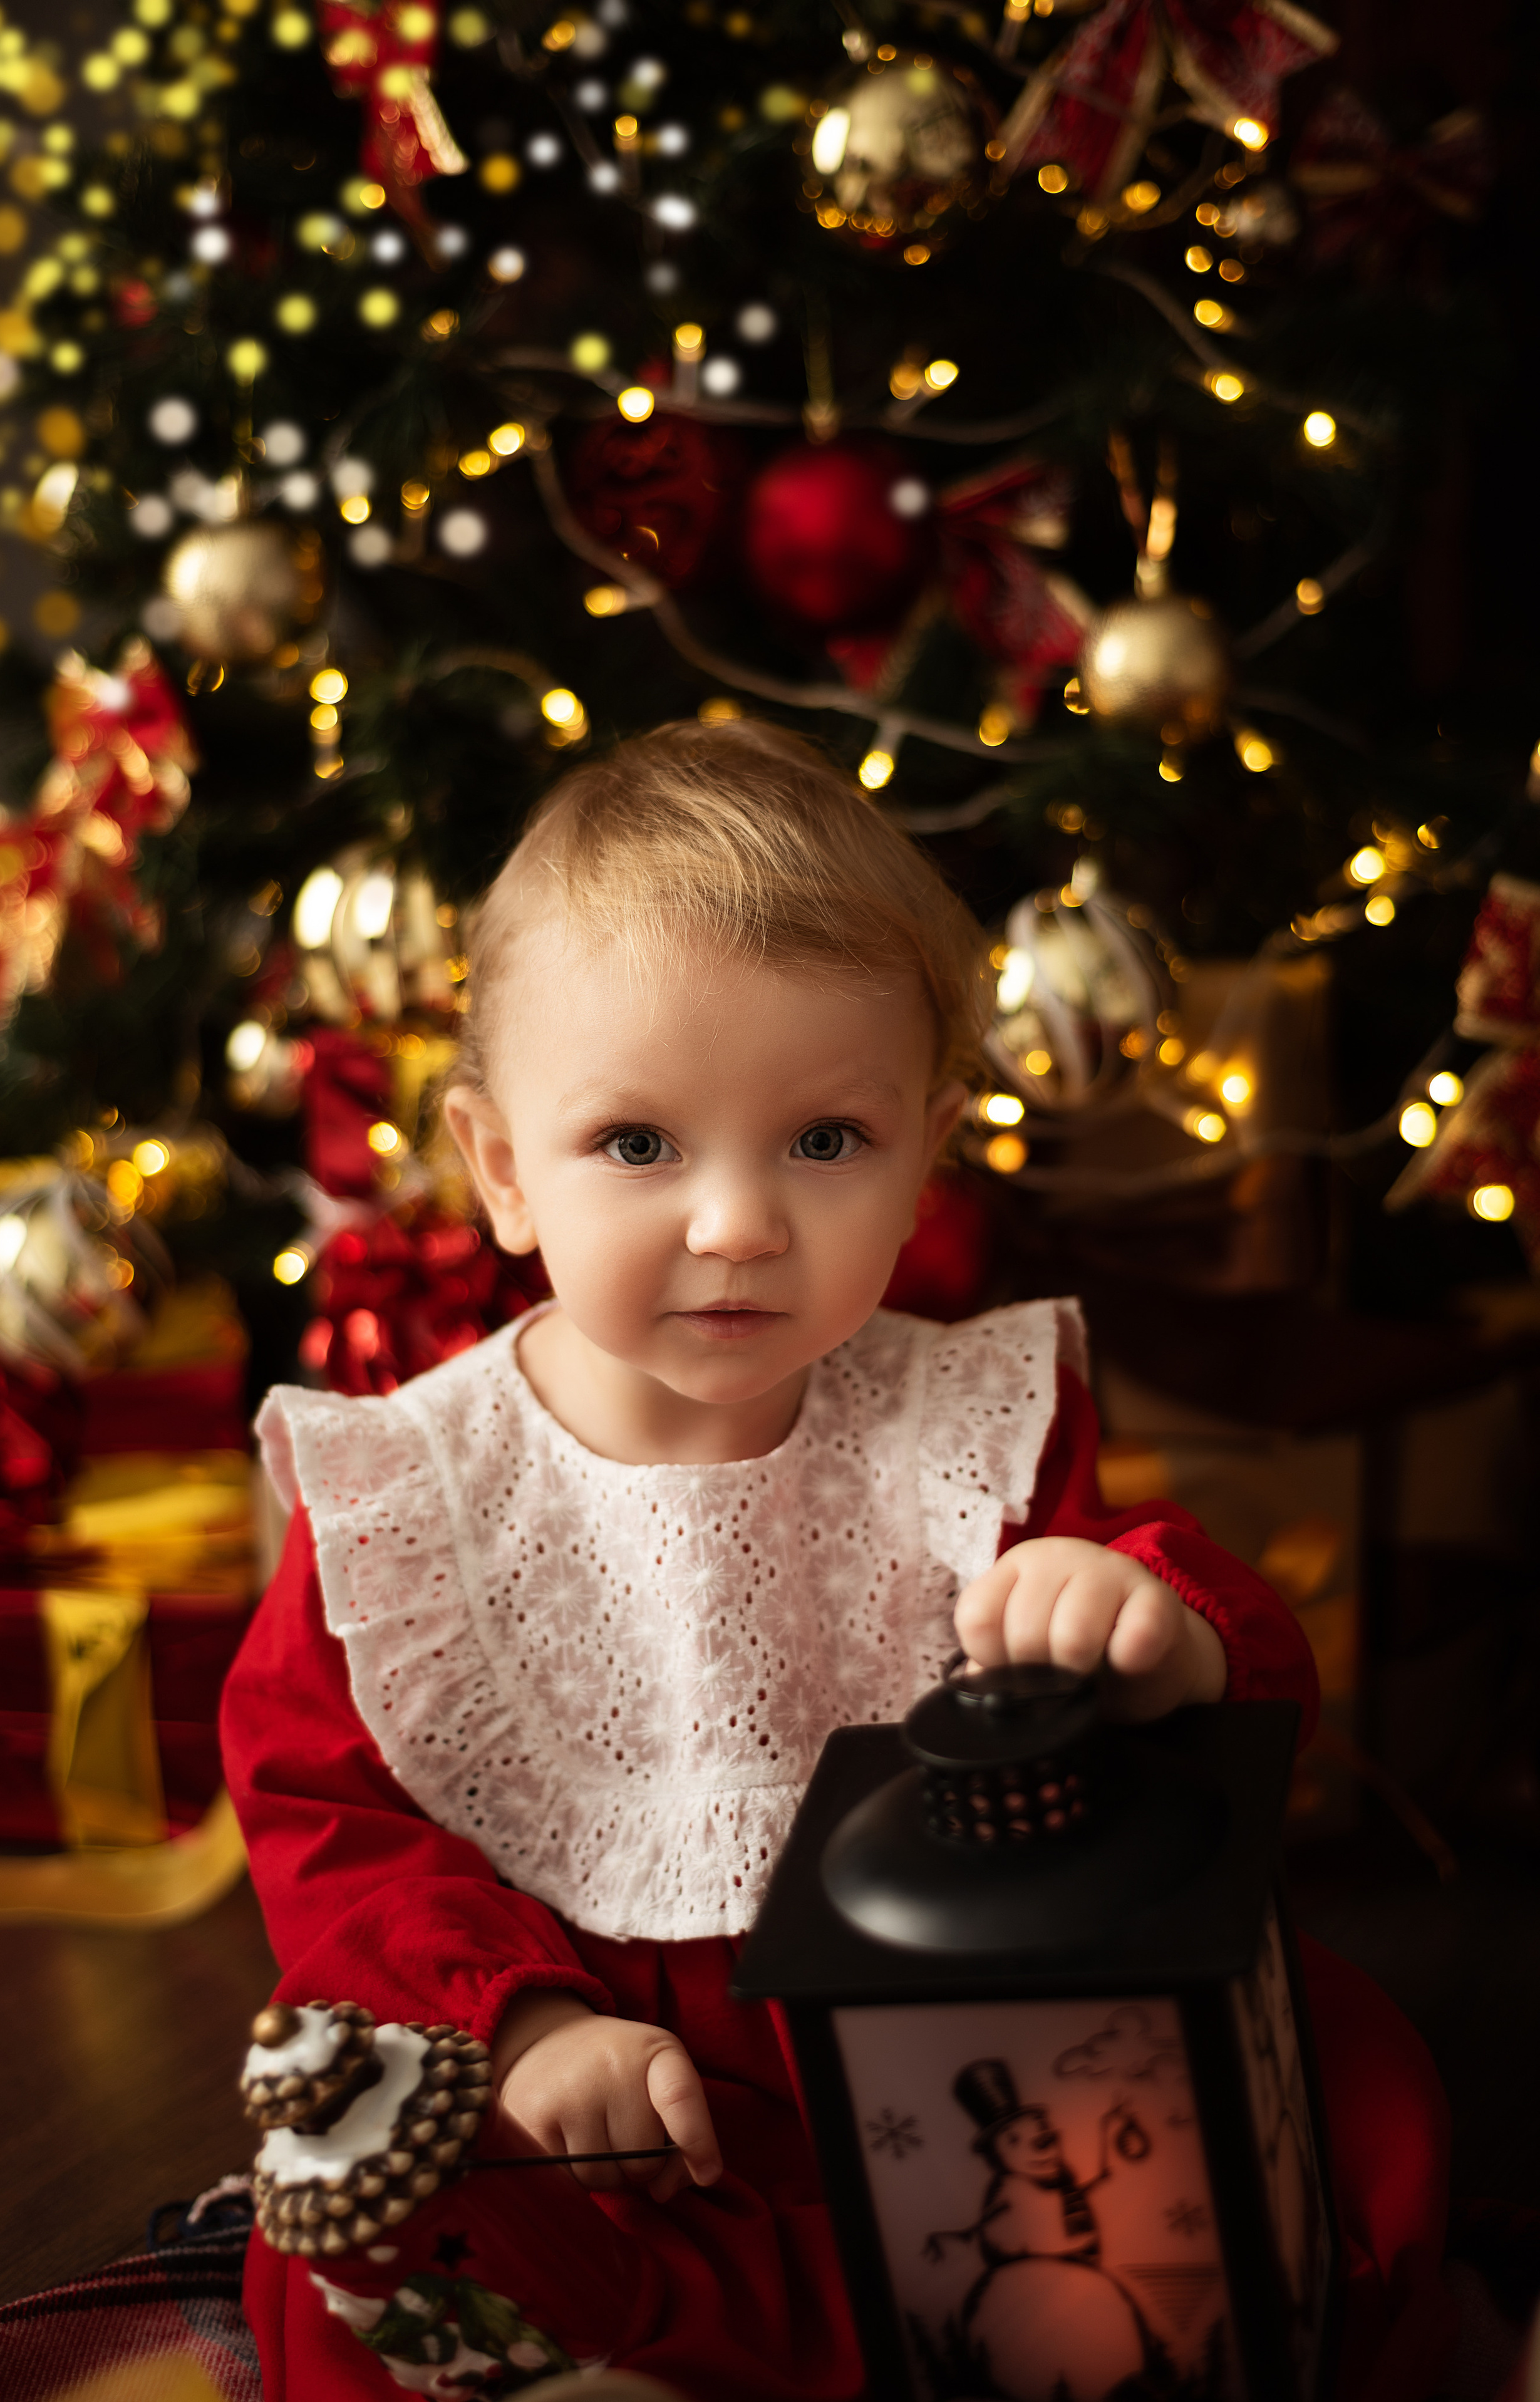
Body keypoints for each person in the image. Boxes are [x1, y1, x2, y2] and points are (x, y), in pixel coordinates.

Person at [223, 719, 1451, 2402]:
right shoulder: (414, 1492)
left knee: (1343, 2089)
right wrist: (521, 2027)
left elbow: (1152, 1669)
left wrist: (1150, 1626)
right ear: (504, 1167)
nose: (737, 1222)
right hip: (609, 2093)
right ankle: (608, 2337)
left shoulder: (966, 1421)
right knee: (393, 2251)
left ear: (924, 1150)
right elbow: (326, 1813)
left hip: (963, 2064)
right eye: (639, 1145)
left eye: (823, 1141)